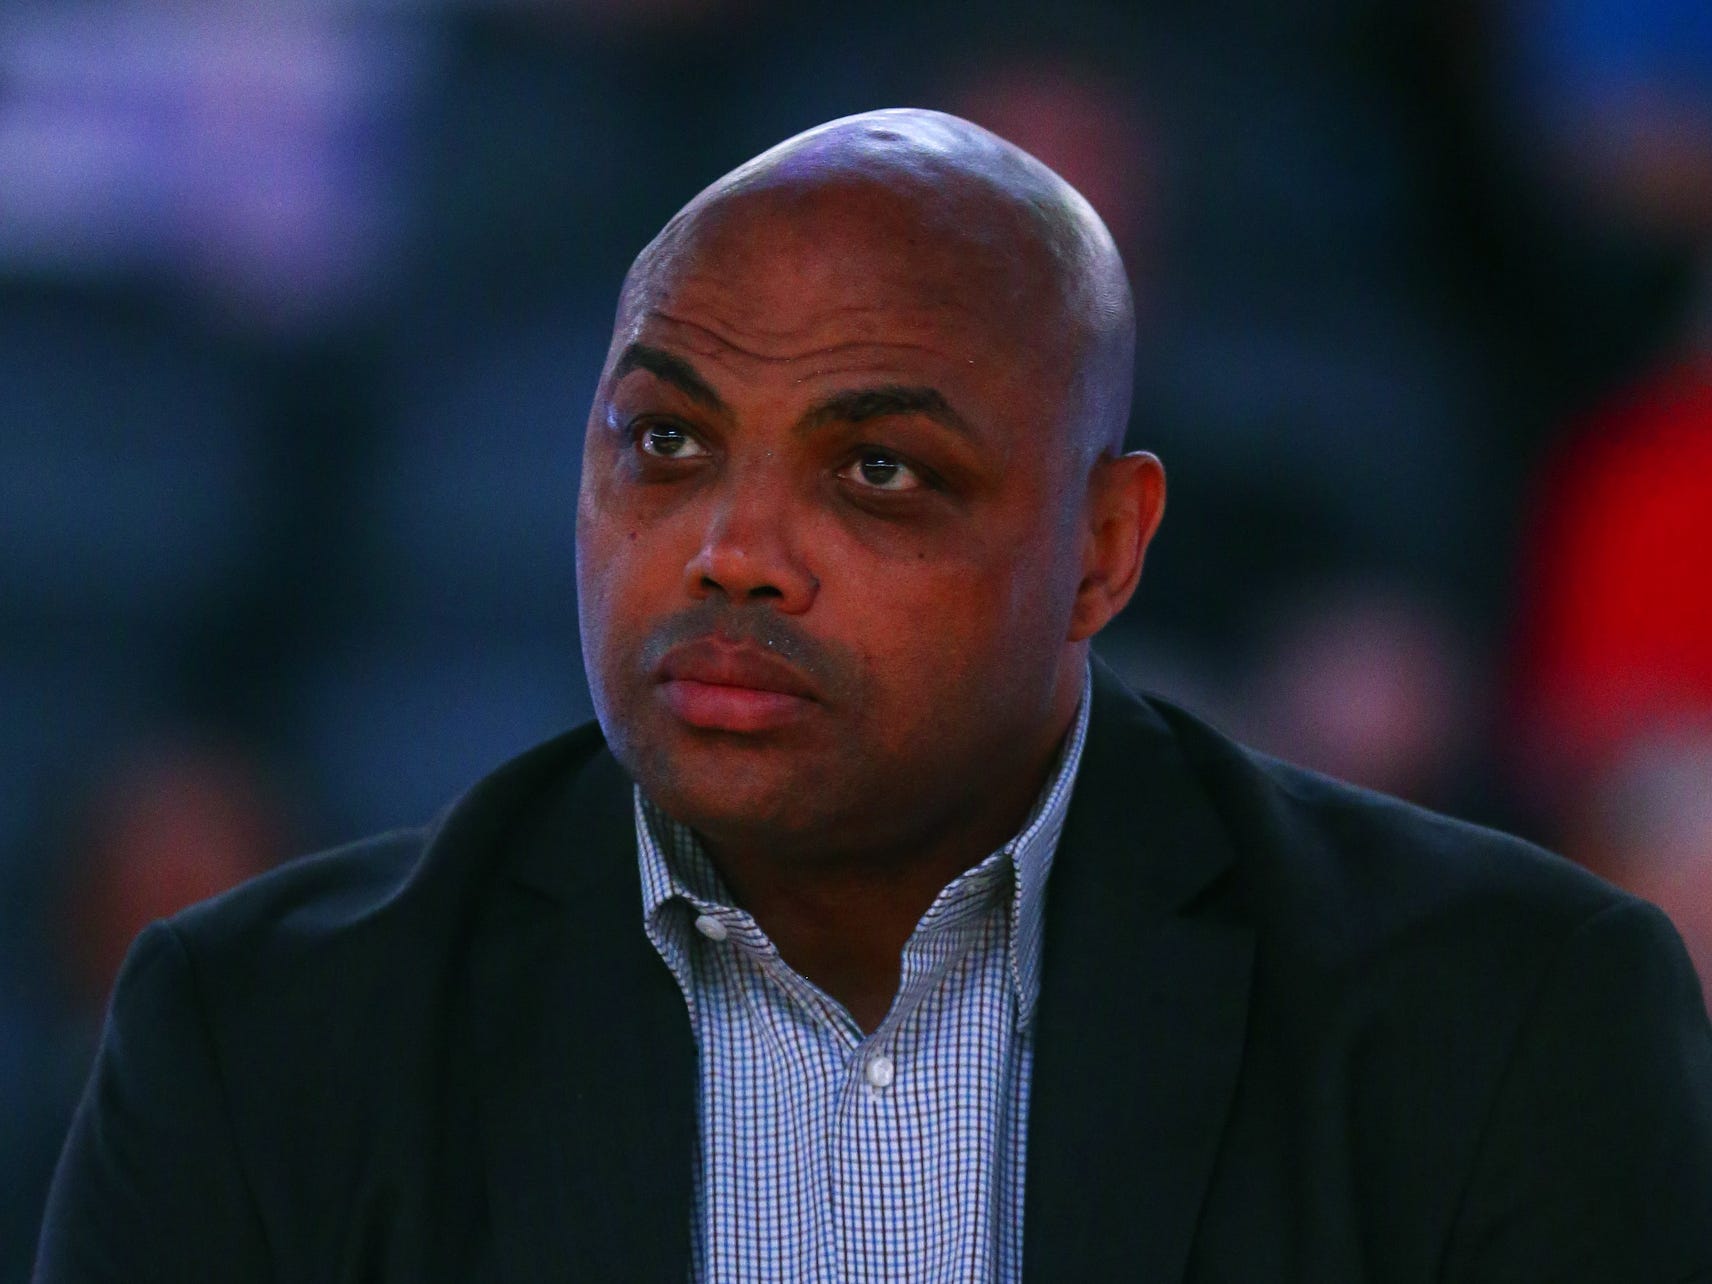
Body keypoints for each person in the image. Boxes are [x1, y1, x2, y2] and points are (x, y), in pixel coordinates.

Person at [34, 109, 1712, 1282]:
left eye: (882, 470)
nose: (732, 550)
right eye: (665, 443)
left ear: (1103, 551)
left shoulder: (1504, 1026)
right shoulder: (260, 1044)